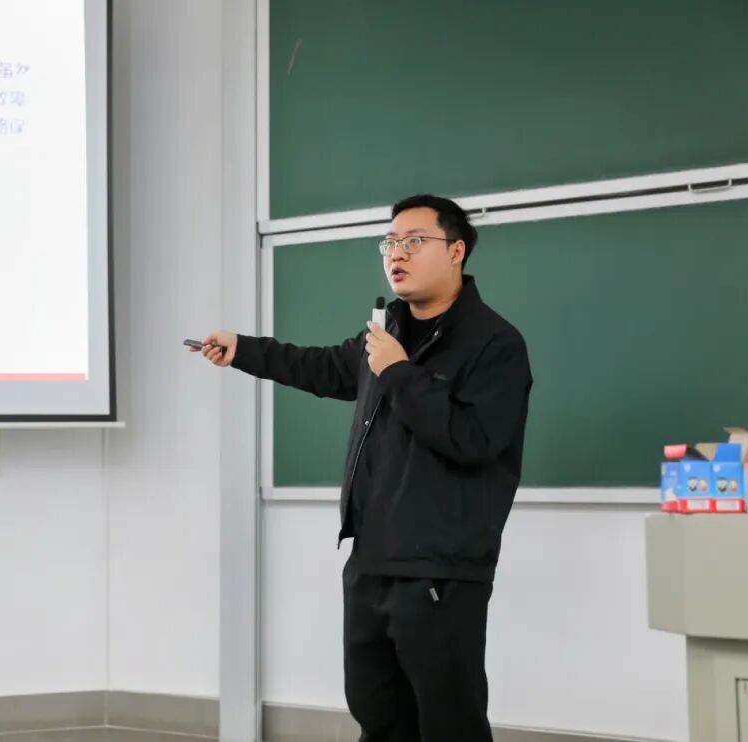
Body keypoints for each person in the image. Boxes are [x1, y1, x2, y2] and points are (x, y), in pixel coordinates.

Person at [194, 194, 533, 741]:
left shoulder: (494, 344)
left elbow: (473, 440)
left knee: (448, 723)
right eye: (390, 242)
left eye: (414, 241)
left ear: (456, 251)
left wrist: (398, 373)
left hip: (442, 570)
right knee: (378, 716)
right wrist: (244, 350)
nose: (397, 253)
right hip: (371, 561)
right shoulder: (386, 333)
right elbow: (323, 367)